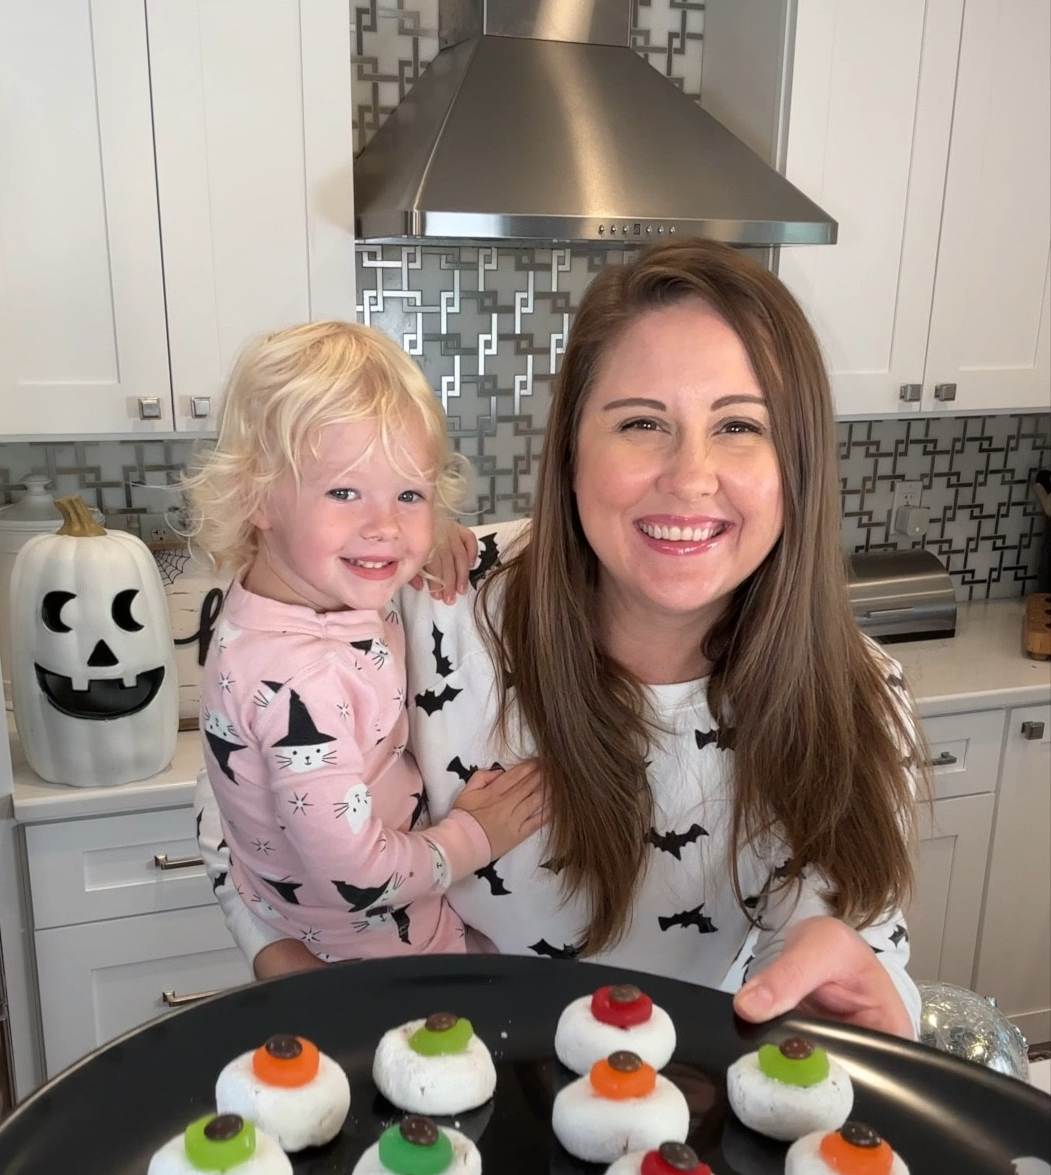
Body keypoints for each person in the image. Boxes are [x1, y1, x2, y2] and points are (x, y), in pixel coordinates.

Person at [197, 242, 924, 1036]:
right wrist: (296, 971)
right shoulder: (422, 597)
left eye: (741, 425)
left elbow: (860, 945)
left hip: (683, 1111)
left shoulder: (864, 697)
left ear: (800, 464)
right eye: (642, 422)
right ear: (572, 448)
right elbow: (241, 778)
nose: (689, 477)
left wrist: (852, 990)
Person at [186, 319, 545, 965]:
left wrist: (425, 538)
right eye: (345, 491)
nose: (384, 526)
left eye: (409, 493)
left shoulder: (288, 599)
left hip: (314, 923)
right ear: (256, 496)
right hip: (382, 962)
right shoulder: (300, 680)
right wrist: (475, 836)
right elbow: (360, 878)